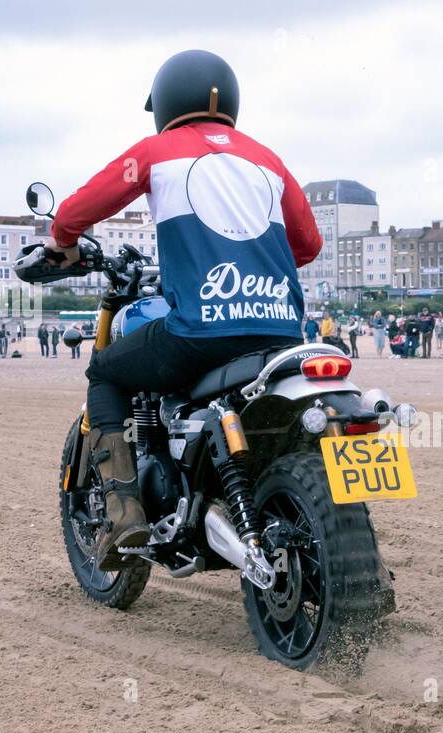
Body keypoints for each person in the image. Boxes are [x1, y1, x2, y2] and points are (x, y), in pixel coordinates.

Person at [39, 49, 321, 567]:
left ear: (167, 102)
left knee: (105, 372)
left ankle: (124, 515)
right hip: (285, 335)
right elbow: (307, 247)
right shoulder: (268, 160)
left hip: (202, 331)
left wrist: (63, 239)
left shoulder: (158, 151)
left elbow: (80, 208)